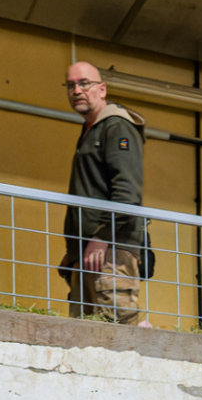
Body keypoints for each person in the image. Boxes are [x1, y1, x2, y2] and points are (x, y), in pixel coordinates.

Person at [60, 61, 154, 324]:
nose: (77, 90)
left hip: (109, 250)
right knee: (87, 334)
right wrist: (75, 249)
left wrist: (102, 237)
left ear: (102, 89)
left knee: (119, 327)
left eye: (84, 83)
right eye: (71, 85)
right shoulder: (93, 130)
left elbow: (127, 193)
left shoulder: (116, 128)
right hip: (88, 252)